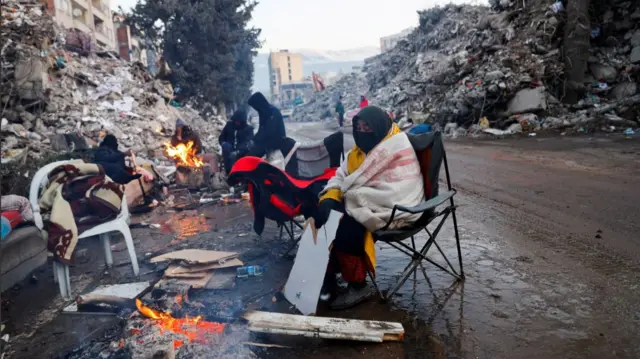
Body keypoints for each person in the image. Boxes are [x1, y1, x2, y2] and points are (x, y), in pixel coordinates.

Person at [313, 106, 425, 310]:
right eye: (359, 127)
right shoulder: (356, 153)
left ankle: (358, 285)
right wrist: (331, 196)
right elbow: (341, 175)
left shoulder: (395, 147)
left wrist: (351, 198)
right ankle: (328, 272)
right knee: (323, 211)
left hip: (397, 208)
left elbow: (400, 188)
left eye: (367, 127)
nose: (362, 131)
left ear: (379, 127)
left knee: (347, 224)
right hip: (362, 201)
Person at [247, 92, 286, 158]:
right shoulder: (263, 112)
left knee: (251, 156)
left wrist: (256, 141)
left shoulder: (272, 112)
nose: (255, 108)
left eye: (254, 106)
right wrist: (253, 140)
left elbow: (269, 131)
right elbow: (261, 130)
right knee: (247, 151)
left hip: (276, 142)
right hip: (266, 142)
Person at [219, 109, 255, 173]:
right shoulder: (229, 125)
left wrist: (238, 152)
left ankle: (237, 173)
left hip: (241, 152)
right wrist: (223, 143)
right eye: (236, 121)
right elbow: (222, 137)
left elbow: (248, 143)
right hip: (229, 149)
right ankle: (228, 171)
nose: (237, 122)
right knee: (226, 147)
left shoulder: (248, 129)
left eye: (238, 121)